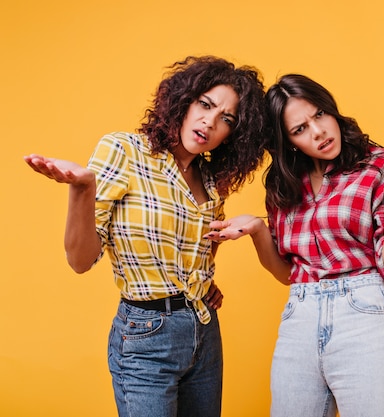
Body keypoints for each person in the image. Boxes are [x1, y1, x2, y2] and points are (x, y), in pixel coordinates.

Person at [23, 55, 267, 417]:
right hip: (146, 336)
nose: (209, 122)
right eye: (205, 104)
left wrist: (198, 287)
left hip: (204, 334)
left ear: (234, 134)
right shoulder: (125, 151)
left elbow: (200, 253)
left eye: (226, 119)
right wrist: (82, 189)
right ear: (184, 100)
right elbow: (80, 260)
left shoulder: (212, 182)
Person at [207, 73, 384, 417]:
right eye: (299, 129)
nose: (317, 132)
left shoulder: (377, 164)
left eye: (319, 114)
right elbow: (288, 274)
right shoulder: (283, 181)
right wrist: (258, 231)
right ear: (287, 140)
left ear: (331, 110)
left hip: (363, 312)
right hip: (300, 313)